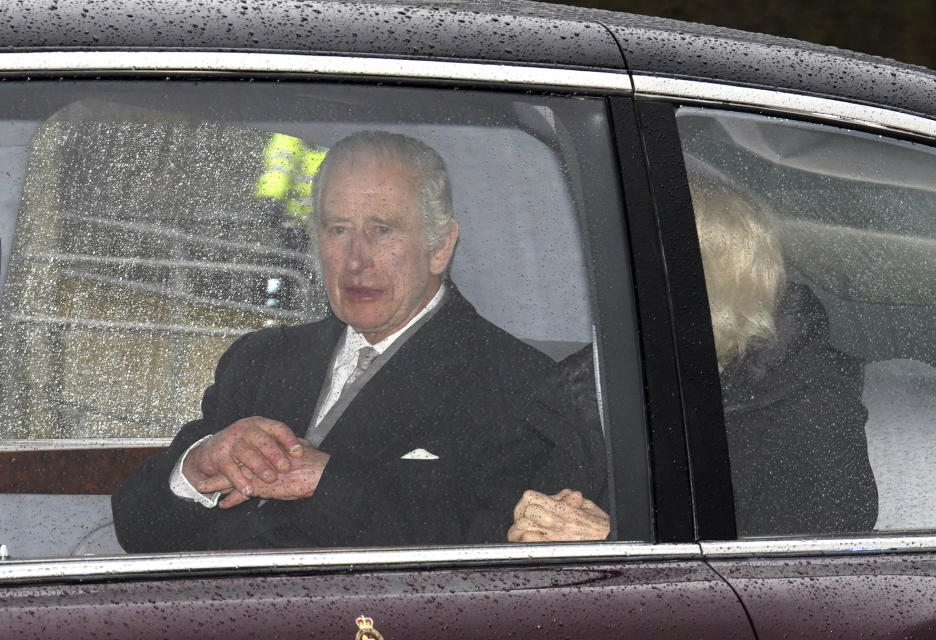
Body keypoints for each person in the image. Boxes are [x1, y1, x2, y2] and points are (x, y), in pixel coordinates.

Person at [112, 131, 561, 551]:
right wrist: (196, 470)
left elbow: (494, 541)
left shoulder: (520, 385)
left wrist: (327, 481)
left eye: (382, 229)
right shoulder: (260, 358)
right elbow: (137, 529)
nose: (356, 260)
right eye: (338, 230)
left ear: (440, 246)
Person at [509, 160, 878, 541]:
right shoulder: (588, 388)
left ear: (708, 286)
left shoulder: (812, 409)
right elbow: (499, 514)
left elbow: (793, 572)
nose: (618, 284)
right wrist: (530, 528)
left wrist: (619, 540)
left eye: (643, 264)